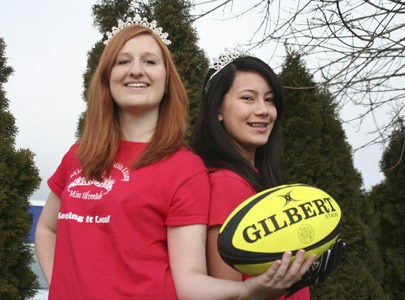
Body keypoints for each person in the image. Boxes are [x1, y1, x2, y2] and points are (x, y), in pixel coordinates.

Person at [35, 15, 316, 300]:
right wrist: (63, 287)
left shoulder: (185, 168)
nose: (136, 70)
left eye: (149, 61)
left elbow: (190, 282)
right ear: (107, 77)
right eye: (123, 61)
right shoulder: (79, 154)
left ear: (167, 80)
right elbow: (46, 228)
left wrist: (248, 290)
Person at [190, 49, 345, 299]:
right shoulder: (227, 183)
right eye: (248, 98)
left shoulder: (255, 179)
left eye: (270, 99)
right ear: (217, 109)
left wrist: (295, 276)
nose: (264, 110)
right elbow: (230, 292)